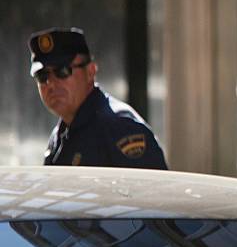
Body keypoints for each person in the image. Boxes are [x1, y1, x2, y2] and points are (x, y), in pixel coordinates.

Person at [28, 27, 168, 169]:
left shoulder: (121, 128)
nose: (51, 84)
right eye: (42, 76)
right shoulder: (60, 134)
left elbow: (151, 190)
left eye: (62, 71)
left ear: (90, 71)